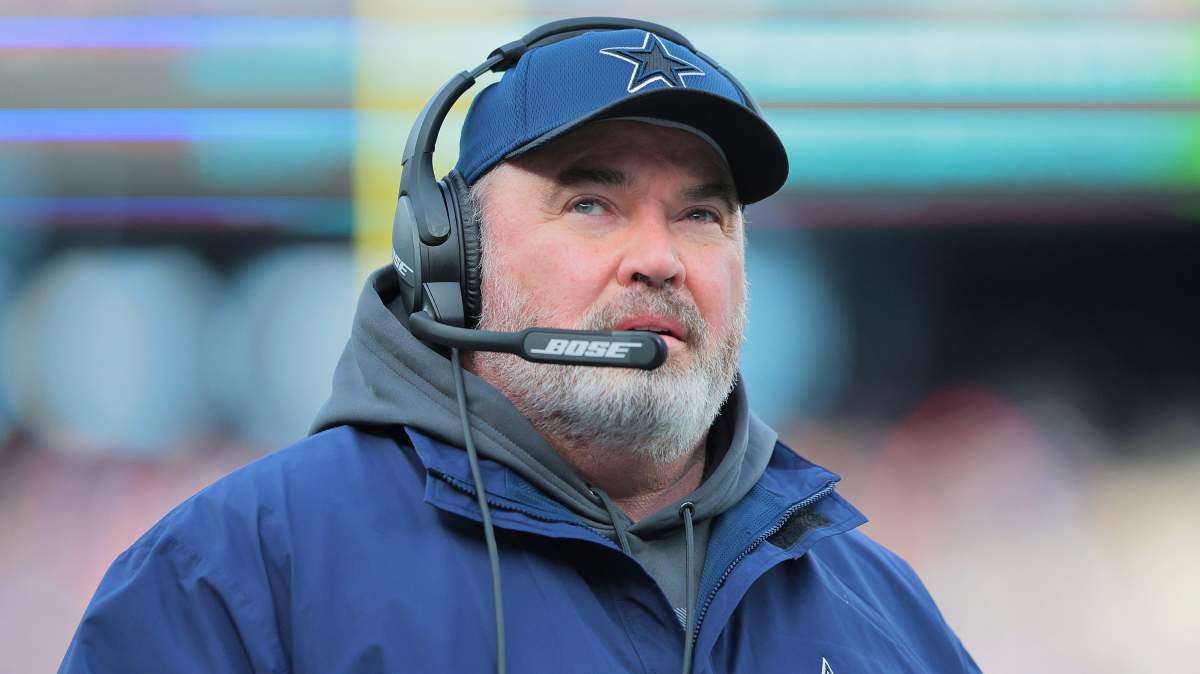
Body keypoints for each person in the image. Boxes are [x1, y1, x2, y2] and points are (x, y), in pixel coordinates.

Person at [60, 20, 980, 674]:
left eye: (701, 214)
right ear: (453, 257)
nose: (659, 257)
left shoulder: (882, 613)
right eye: (593, 203)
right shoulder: (235, 578)